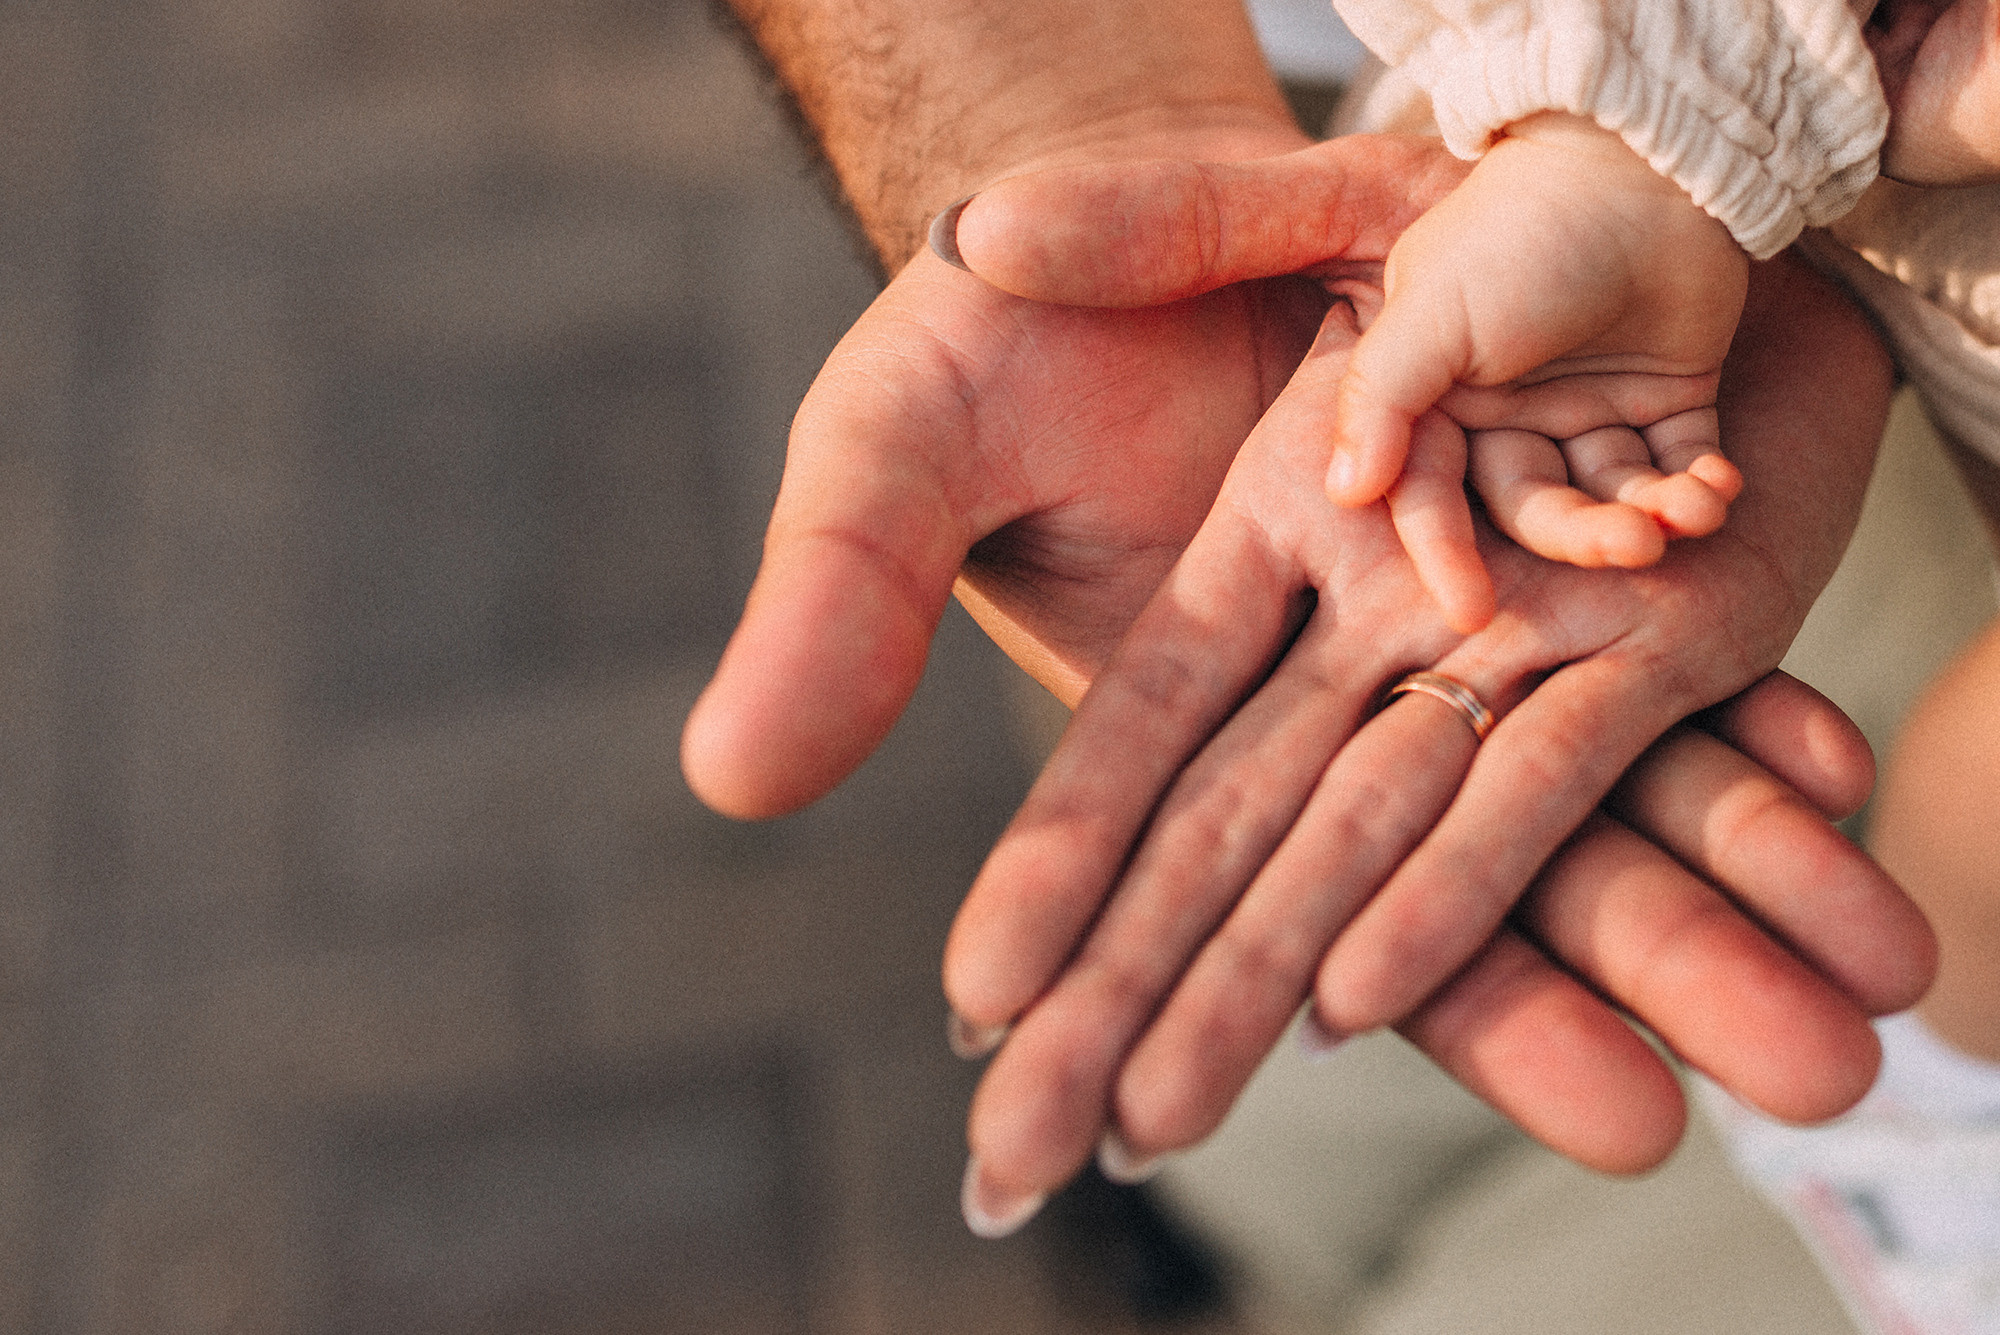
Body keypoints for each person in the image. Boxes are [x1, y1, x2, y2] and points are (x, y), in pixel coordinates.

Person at [683, 0, 1929, 1257]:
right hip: (1456, 138)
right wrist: (1639, 150)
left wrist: (1657, 162)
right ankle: (1194, 1213)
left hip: (1758, 292)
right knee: (1284, 1079)